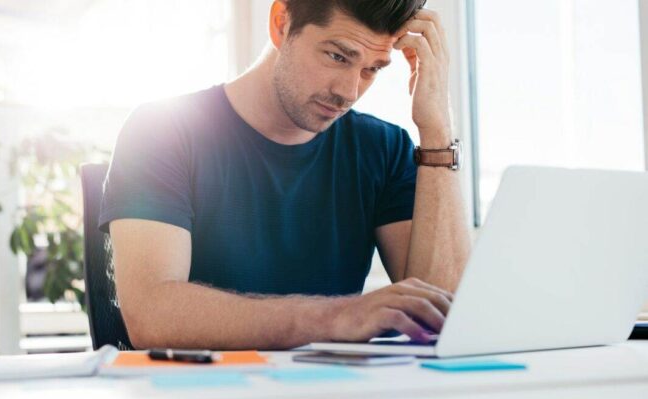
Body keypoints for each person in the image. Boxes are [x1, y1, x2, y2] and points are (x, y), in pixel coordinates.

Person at [99, 0, 471, 350]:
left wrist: (436, 127)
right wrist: (336, 317)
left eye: (372, 69)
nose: (349, 91)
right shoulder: (161, 131)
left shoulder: (384, 149)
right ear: (281, 23)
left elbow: (447, 317)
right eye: (337, 56)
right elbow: (152, 315)